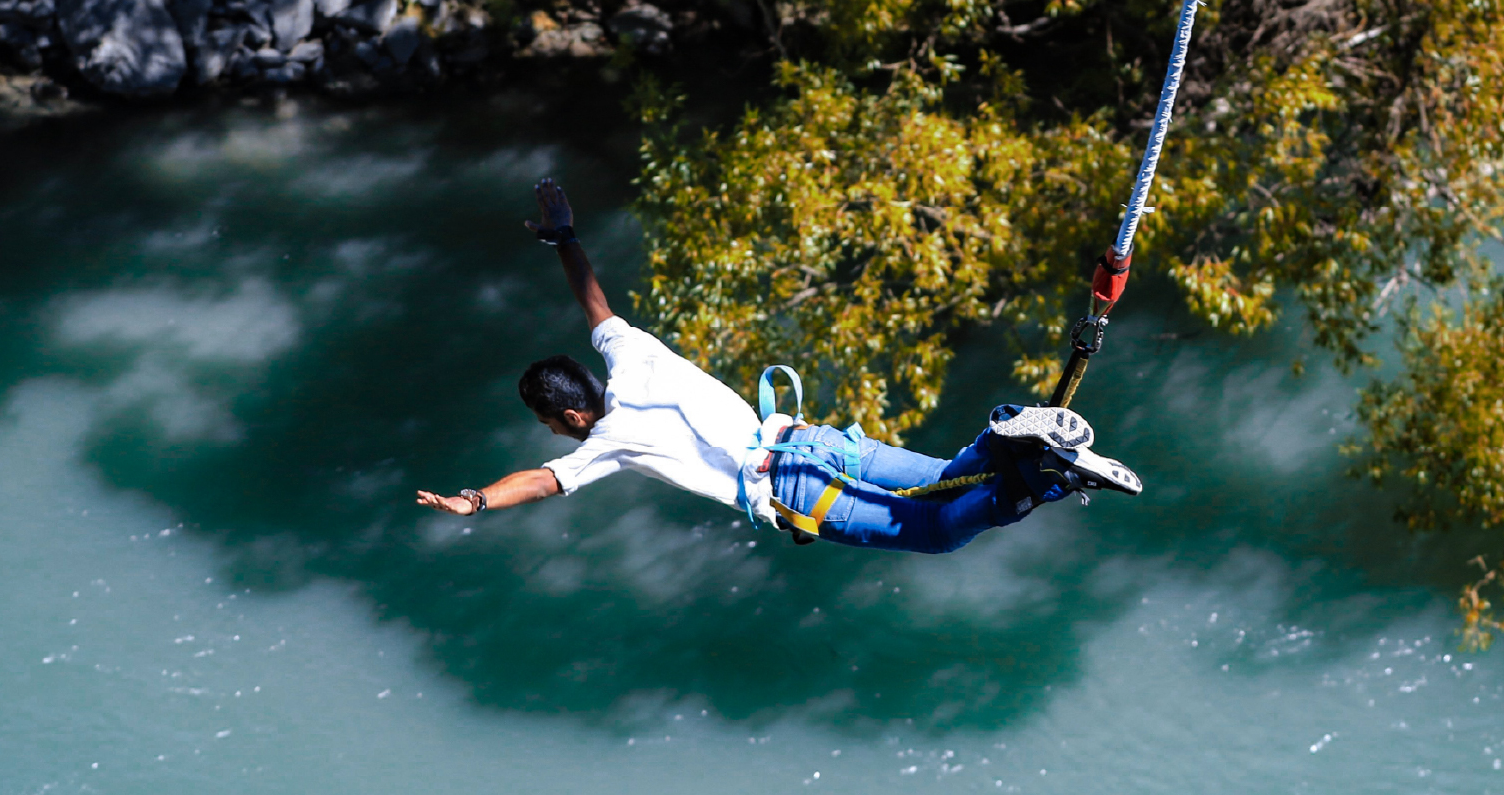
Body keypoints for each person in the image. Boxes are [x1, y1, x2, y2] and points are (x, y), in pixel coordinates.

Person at [416, 179, 1140, 552]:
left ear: (572, 414)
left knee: (937, 529)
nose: (551, 435)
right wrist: (564, 235)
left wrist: (475, 500)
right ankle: (1014, 436)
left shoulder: (608, 442)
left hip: (791, 485)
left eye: (548, 422)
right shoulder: (629, 353)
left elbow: (542, 481)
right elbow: (593, 302)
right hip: (807, 438)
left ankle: (1041, 469)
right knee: (943, 477)